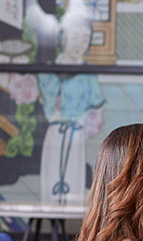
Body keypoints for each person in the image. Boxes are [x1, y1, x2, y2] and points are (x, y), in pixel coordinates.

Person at [39, 9, 103, 205]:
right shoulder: (48, 70)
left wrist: (88, 120)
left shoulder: (89, 74)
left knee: (72, 180)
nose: (79, 44)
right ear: (63, 37)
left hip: (76, 134)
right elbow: (46, 104)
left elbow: (97, 107)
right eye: (74, 37)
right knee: (52, 180)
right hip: (55, 132)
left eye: (85, 39)